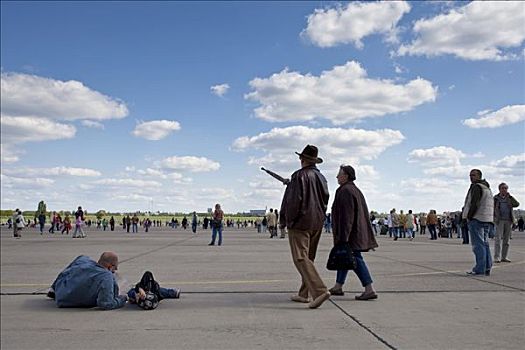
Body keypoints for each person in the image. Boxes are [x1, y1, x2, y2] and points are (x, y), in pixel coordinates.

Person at [279, 145, 330, 309]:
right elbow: (325, 199)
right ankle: (304, 293)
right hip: (317, 221)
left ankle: (319, 291)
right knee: (309, 258)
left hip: (300, 222)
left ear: (302, 159)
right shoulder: (322, 178)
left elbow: (293, 201)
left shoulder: (298, 176)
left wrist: (288, 220)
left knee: (300, 257)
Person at [329, 165, 378, 300]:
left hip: (350, 234)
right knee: (343, 257)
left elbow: (347, 216)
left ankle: (369, 289)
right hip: (354, 232)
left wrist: (344, 237)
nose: (337, 177)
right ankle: (338, 286)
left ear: (346, 176)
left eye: (339, 174)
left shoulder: (345, 191)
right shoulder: (354, 190)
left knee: (355, 258)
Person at [46, 252, 128, 310]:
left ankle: (52, 289)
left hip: (60, 292)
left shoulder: (82, 261)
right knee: (117, 281)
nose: (115, 270)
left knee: (82, 257)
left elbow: (64, 273)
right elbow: (106, 304)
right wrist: (122, 299)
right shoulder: (106, 276)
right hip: (69, 302)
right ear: (110, 266)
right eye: (115, 268)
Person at [462, 169, 494, 276]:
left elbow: (474, 203)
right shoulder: (487, 188)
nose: (471, 177)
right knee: (485, 244)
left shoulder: (476, 187)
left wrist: (469, 216)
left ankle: (480, 268)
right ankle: (487, 266)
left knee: (478, 245)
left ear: (479, 176)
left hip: (477, 218)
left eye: (474, 175)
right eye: (470, 175)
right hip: (486, 218)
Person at [493, 183, 520, 263]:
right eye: (503, 188)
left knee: (506, 240)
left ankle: (504, 257)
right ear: (499, 189)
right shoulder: (496, 198)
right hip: (499, 220)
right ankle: (497, 257)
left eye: (506, 188)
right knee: (498, 239)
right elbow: (492, 207)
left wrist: (510, 197)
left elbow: (516, 204)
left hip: (508, 220)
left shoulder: (509, 198)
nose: (504, 190)